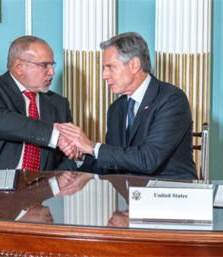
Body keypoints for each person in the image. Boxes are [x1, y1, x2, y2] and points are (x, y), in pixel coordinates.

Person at [57, 32, 197, 180]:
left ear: (134, 65)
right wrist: (82, 156)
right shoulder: (116, 108)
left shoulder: (171, 99)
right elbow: (112, 164)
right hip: (130, 197)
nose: (104, 75)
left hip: (171, 196)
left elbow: (148, 160)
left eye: (110, 67)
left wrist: (92, 147)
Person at [0, 35, 76, 171]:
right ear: (19, 67)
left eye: (52, 65)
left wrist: (58, 182)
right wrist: (54, 135)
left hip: (42, 188)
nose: (52, 72)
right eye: (44, 65)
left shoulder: (59, 104)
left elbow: (68, 157)